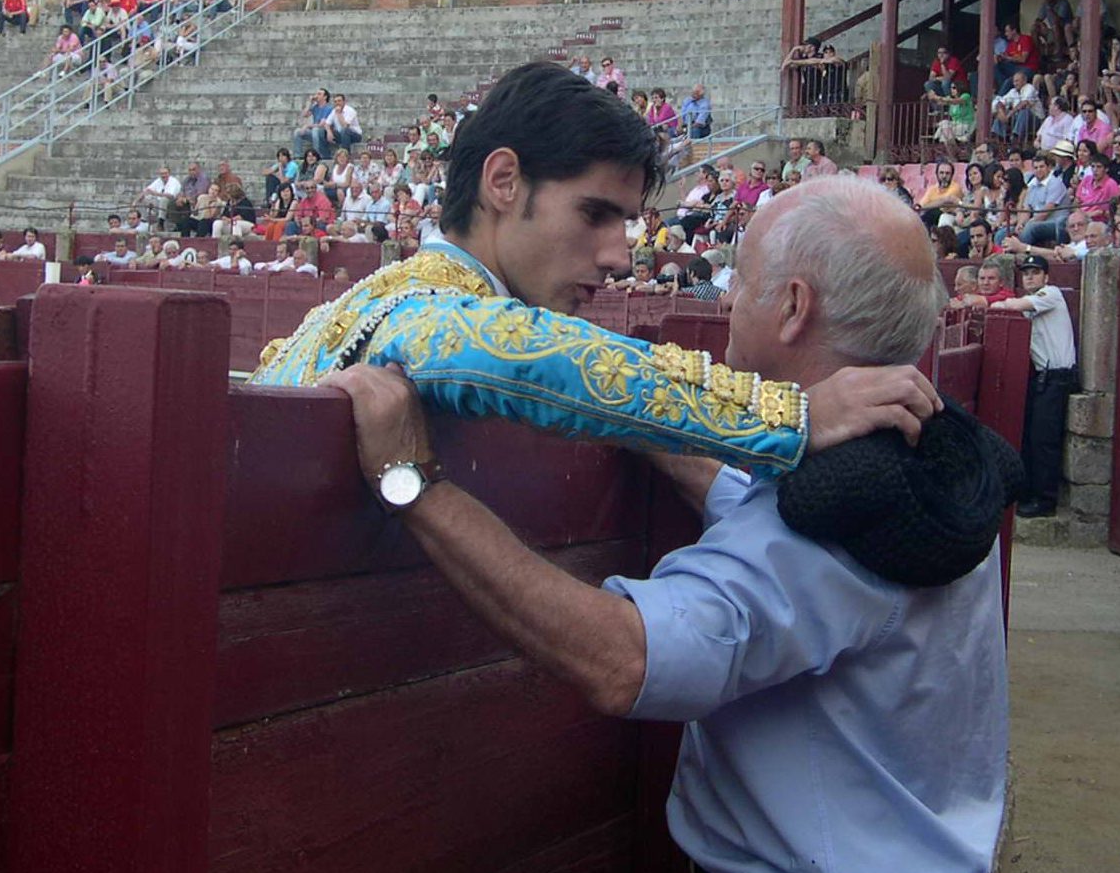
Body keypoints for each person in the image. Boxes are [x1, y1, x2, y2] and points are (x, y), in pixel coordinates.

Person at [325, 173, 1012, 872]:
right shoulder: (932, 456)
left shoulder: (840, 509)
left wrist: (413, 484)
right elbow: (742, 502)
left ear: (793, 307)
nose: (729, 300)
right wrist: (628, 411)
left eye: (741, 282)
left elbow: (625, 659)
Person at [251, 62, 940, 471]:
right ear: (502, 182)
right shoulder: (424, 308)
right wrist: (787, 414)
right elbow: (512, 353)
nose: (618, 255)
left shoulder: (378, 296)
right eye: (593, 214)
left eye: (626, 221)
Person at [990, 255, 1077, 518]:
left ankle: (1045, 500)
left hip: (1056, 378)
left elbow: (1015, 305)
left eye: (1035, 272)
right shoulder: (1033, 302)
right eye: (1026, 272)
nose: (1029, 276)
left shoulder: (1050, 294)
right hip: (1044, 378)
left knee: (1044, 441)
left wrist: (988, 302)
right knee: (1034, 438)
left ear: (1046, 277)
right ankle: (1032, 494)